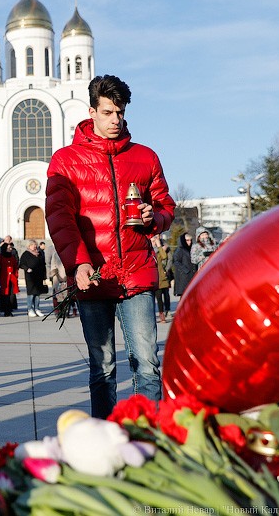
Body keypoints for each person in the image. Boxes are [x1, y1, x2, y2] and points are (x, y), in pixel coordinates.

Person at [45, 74, 175, 418]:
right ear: (92, 112)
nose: (115, 119)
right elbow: (61, 219)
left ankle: (147, 441)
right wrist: (79, 264)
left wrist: (154, 216)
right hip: (95, 275)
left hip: (136, 273)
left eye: (120, 112)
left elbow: (166, 206)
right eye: (107, 112)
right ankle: (103, 440)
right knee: (102, 368)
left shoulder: (145, 157)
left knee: (147, 365)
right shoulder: (66, 160)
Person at [19, 241, 47, 317]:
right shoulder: (26, 254)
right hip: (30, 277)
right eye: (32, 245)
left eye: (35, 245)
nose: (34, 246)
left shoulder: (39, 253)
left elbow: (43, 264)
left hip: (39, 276)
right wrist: (27, 268)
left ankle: (37, 308)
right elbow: (21, 264)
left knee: (37, 294)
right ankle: (30, 309)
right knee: (31, 293)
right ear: (29, 246)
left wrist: (44, 276)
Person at [0, 242, 19, 316]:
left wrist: (15, 276)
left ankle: (9, 310)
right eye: (8, 248)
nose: (10, 249)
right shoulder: (1, 257)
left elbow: (15, 267)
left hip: (11, 279)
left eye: (10, 248)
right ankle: (5, 310)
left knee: (11, 295)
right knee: (4, 295)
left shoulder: (12, 257)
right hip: (3, 279)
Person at [151, 236, 171, 323]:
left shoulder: (159, 251)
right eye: (153, 239)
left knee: (165, 295)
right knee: (158, 298)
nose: (155, 241)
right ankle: (159, 314)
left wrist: (159, 246)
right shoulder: (149, 250)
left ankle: (164, 314)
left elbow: (164, 257)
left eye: (156, 240)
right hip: (153, 277)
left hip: (162, 276)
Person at [171, 232, 197, 297]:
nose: (189, 242)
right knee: (184, 296)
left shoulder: (192, 249)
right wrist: (186, 270)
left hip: (191, 275)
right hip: (183, 277)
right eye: (187, 240)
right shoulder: (180, 250)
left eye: (190, 240)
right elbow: (176, 261)